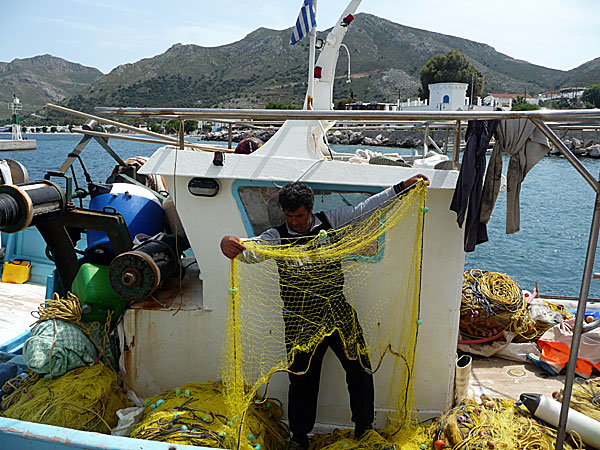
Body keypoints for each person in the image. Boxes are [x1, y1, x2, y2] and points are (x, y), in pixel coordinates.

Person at [220, 174, 428, 450]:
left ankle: (364, 429)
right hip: (300, 320)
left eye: (300, 216)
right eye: (290, 216)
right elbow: (251, 250)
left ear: (311, 208)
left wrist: (401, 188)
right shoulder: (277, 237)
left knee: (360, 369)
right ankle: (299, 437)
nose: (294, 222)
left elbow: (368, 208)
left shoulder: (331, 221)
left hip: (337, 310)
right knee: (302, 379)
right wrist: (230, 244)